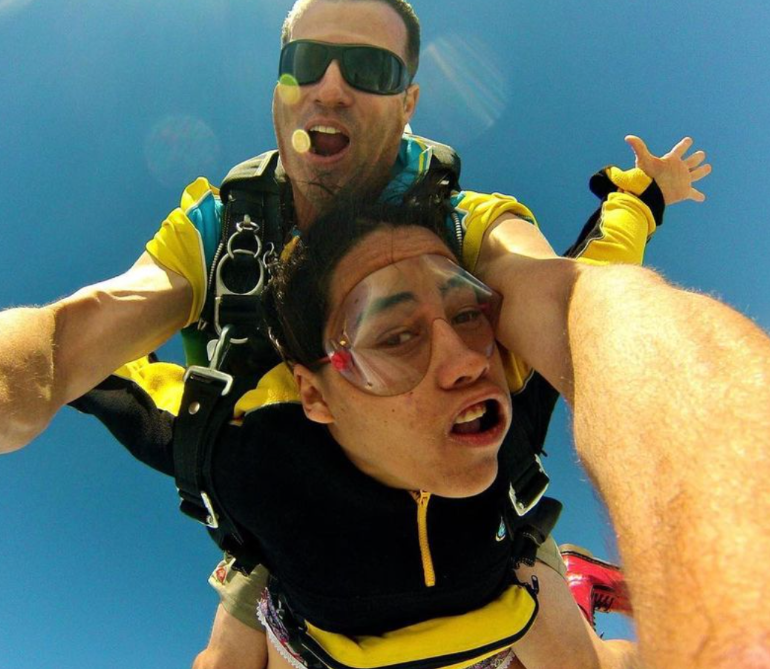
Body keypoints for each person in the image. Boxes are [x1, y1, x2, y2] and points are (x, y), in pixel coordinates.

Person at [0, 0, 716, 666]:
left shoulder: (464, 224)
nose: (331, 88)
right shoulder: (225, 235)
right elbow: (79, 337)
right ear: (278, 87)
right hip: (293, 519)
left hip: (488, 538)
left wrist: (700, 434)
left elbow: (571, 299)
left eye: (370, 69)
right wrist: (23, 380)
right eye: (306, 63)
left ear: (409, 103)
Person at [77, 195, 642, 669]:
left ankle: (575, 580)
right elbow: (90, 364)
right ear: (316, 396)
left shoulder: (511, 383)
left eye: (469, 314)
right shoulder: (254, 447)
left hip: (498, 591)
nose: (465, 362)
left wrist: (640, 196)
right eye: (395, 336)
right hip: (325, 642)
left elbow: (581, 290)